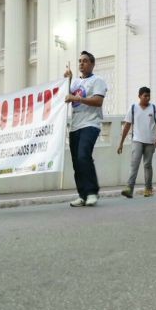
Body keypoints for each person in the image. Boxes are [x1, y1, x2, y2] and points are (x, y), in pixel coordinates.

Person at [65, 51, 108, 207]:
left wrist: (77, 98)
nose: (81, 64)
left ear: (92, 64)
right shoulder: (75, 82)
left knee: (84, 156)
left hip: (90, 124)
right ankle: (82, 194)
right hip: (75, 126)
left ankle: (91, 192)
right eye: (80, 61)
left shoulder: (98, 81)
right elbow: (65, 96)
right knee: (76, 162)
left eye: (85, 61)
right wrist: (68, 80)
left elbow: (98, 101)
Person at [117, 87, 156, 198]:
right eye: (145, 96)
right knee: (134, 164)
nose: (147, 98)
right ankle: (129, 189)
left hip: (150, 142)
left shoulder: (153, 108)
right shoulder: (133, 108)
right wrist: (121, 143)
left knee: (147, 165)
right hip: (137, 140)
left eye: (149, 96)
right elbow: (126, 126)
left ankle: (148, 189)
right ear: (139, 96)